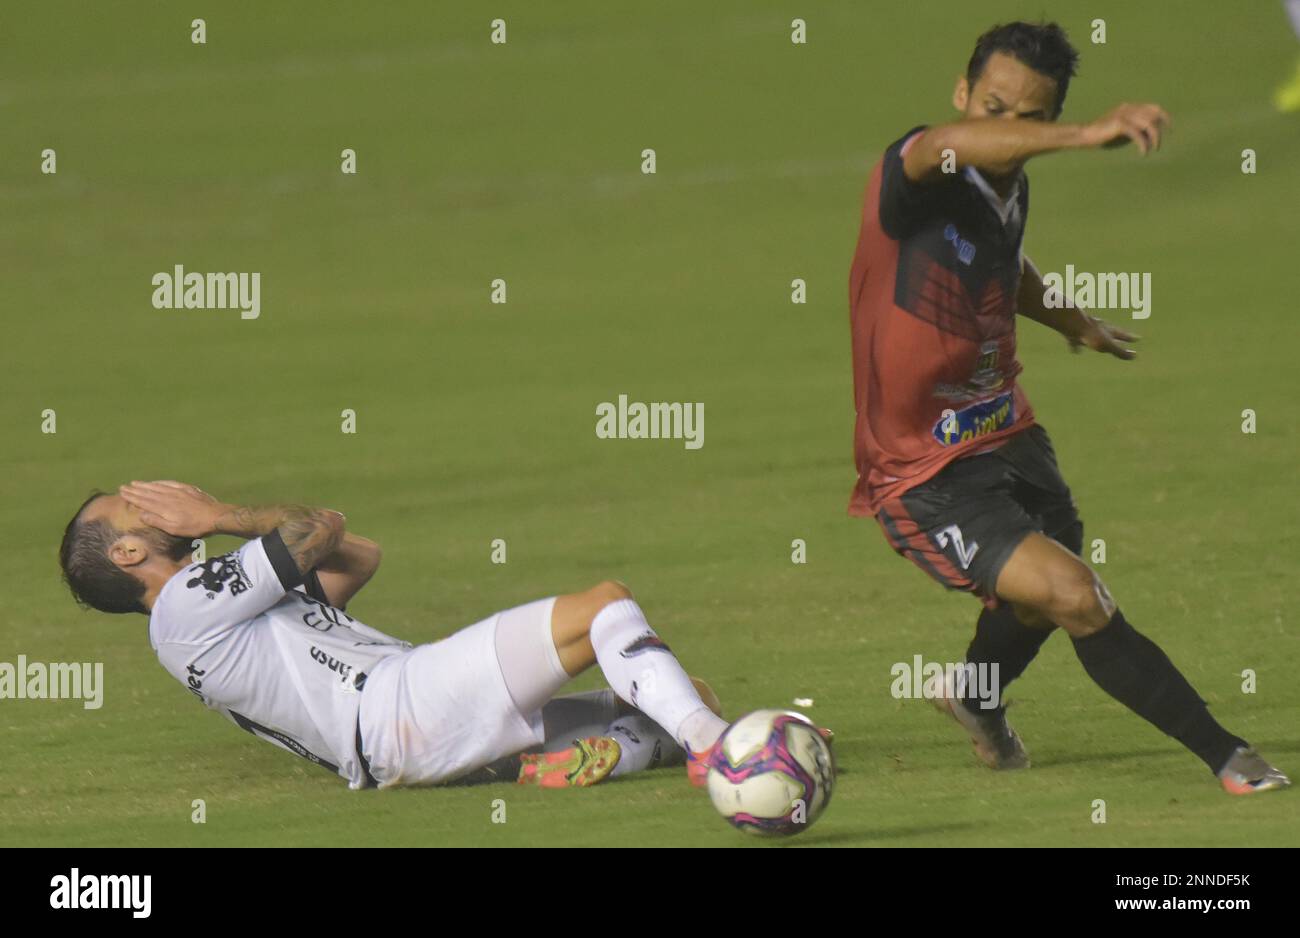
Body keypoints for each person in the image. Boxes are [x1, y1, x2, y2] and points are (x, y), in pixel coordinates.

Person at [846, 21, 1287, 793]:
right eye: (992, 106)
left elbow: (1003, 263)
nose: (1006, 129)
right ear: (962, 95)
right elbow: (950, 144)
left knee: (1042, 596)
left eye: (1029, 117)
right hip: (924, 472)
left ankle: (972, 697)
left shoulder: (1007, 189)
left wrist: (1071, 319)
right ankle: (1230, 757)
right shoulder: (916, 169)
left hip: (1009, 433)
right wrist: (1092, 132)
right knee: (1076, 595)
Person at [58, 481, 728, 790]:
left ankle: (571, 760)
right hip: (400, 705)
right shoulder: (182, 606)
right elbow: (317, 526)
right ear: (125, 555)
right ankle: (721, 755)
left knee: (680, 695)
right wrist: (218, 514)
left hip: (400, 741)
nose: (151, 496)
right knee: (607, 607)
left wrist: (241, 532)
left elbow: (355, 553)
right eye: (134, 508)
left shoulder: (211, 614)